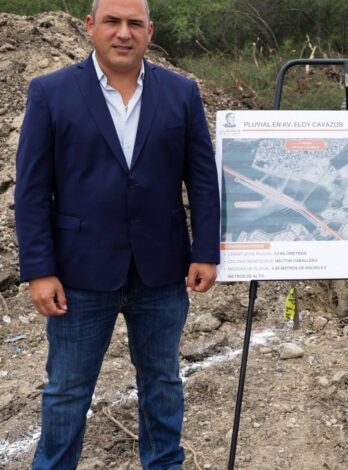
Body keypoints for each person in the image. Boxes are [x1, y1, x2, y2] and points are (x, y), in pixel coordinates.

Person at [14, 0, 220, 467]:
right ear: (90, 27)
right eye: (112, 21)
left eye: (134, 23)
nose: (123, 33)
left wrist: (205, 250)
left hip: (162, 273)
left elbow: (202, 179)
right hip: (79, 275)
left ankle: (164, 462)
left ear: (150, 30)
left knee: (163, 380)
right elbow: (31, 190)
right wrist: (39, 270)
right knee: (67, 390)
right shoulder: (50, 92)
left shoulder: (181, 93)